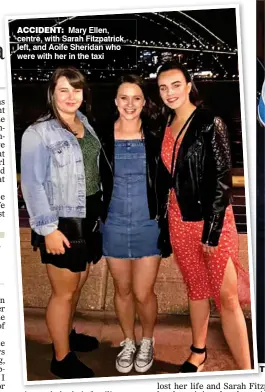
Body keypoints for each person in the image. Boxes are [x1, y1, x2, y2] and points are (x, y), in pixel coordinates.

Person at [157, 61, 251, 372]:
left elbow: (222, 179)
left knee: (226, 298)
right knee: (195, 289)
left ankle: (246, 368)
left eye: (175, 85)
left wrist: (211, 232)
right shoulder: (164, 125)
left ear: (188, 86)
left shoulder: (211, 122)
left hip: (212, 221)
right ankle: (198, 351)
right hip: (178, 218)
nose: (169, 92)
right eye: (162, 87)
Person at [21, 67, 102, 379]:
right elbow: (32, 183)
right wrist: (48, 229)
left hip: (89, 215)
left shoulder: (85, 123)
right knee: (63, 292)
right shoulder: (37, 133)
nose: (71, 97)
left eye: (77, 90)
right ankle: (61, 357)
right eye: (64, 90)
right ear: (52, 93)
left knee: (78, 283)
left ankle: (67, 333)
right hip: (61, 220)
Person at [99, 74, 171, 374]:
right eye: (124, 97)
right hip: (113, 223)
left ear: (144, 102)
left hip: (147, 223)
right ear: (116, 101)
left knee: (143, 292)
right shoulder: (101, 135)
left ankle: (147, 340)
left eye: (136, 98)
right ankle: (128, 340)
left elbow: (171, 178)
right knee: (123, 289)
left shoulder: (157, 136)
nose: (130, 104)